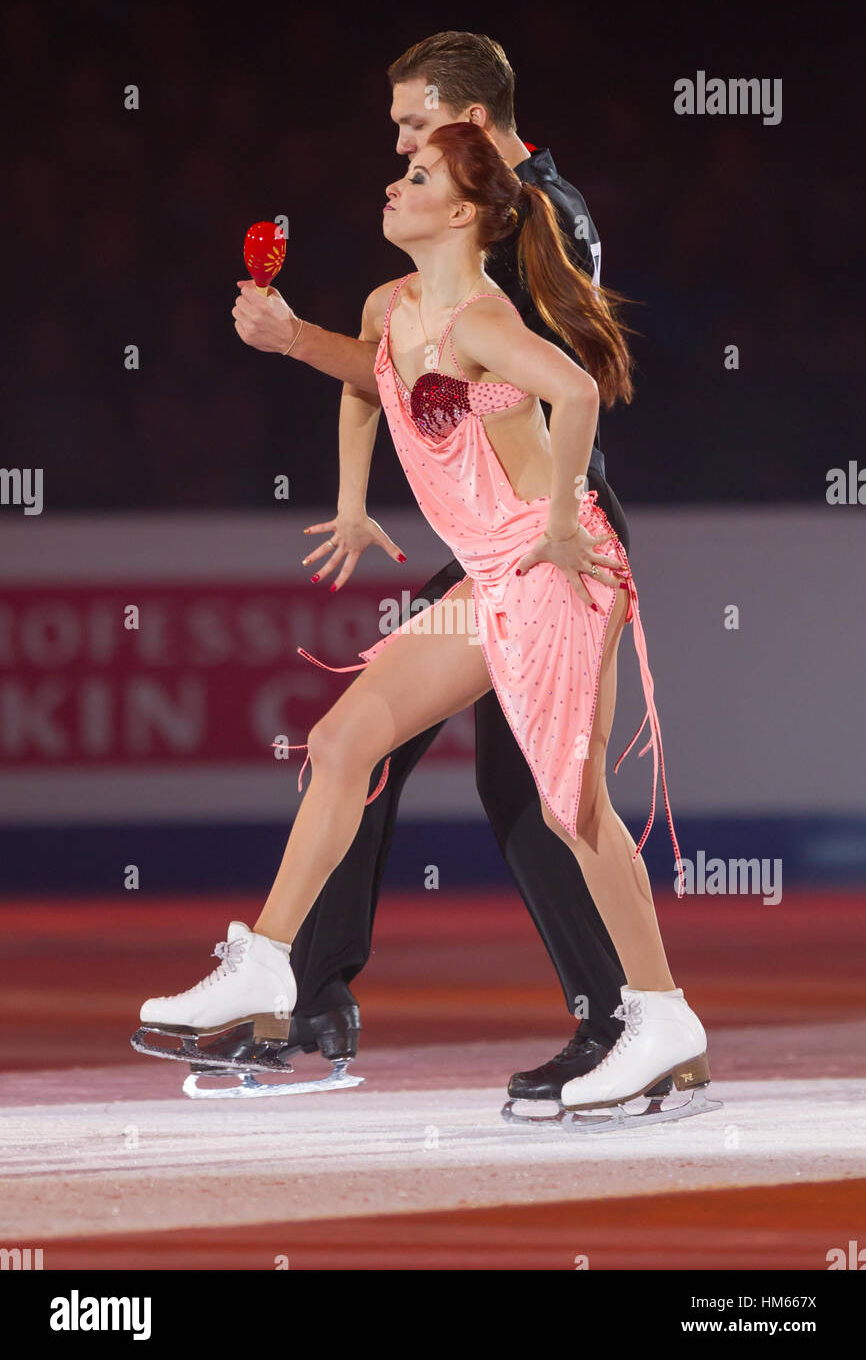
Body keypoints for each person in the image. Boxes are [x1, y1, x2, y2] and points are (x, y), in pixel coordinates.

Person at [137, 119, 714, 1124]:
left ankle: (660, 1015)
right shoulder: (390, 305)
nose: (392, 185)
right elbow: (369, 378)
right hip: (486, 579)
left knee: (570, 806)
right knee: (342, 737)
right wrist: (352, 492)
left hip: (547, 570)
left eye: (414, 175)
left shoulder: (482, 320)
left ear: (459, 212)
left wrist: (565, 516)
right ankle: (269, 964)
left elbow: (575, 390)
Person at [228, 32, 638, 1103]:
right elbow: (400, 365)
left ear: (468, 123)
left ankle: (622, 1019)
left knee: (531, 786)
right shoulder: (480, 226)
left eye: (414, 125)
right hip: (497, 545)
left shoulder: (525, 219)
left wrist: (296, 342)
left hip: (541, 538)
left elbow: (491, 382)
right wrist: (357, 493)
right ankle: (303, 988)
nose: (399, 143)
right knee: (365, 741)